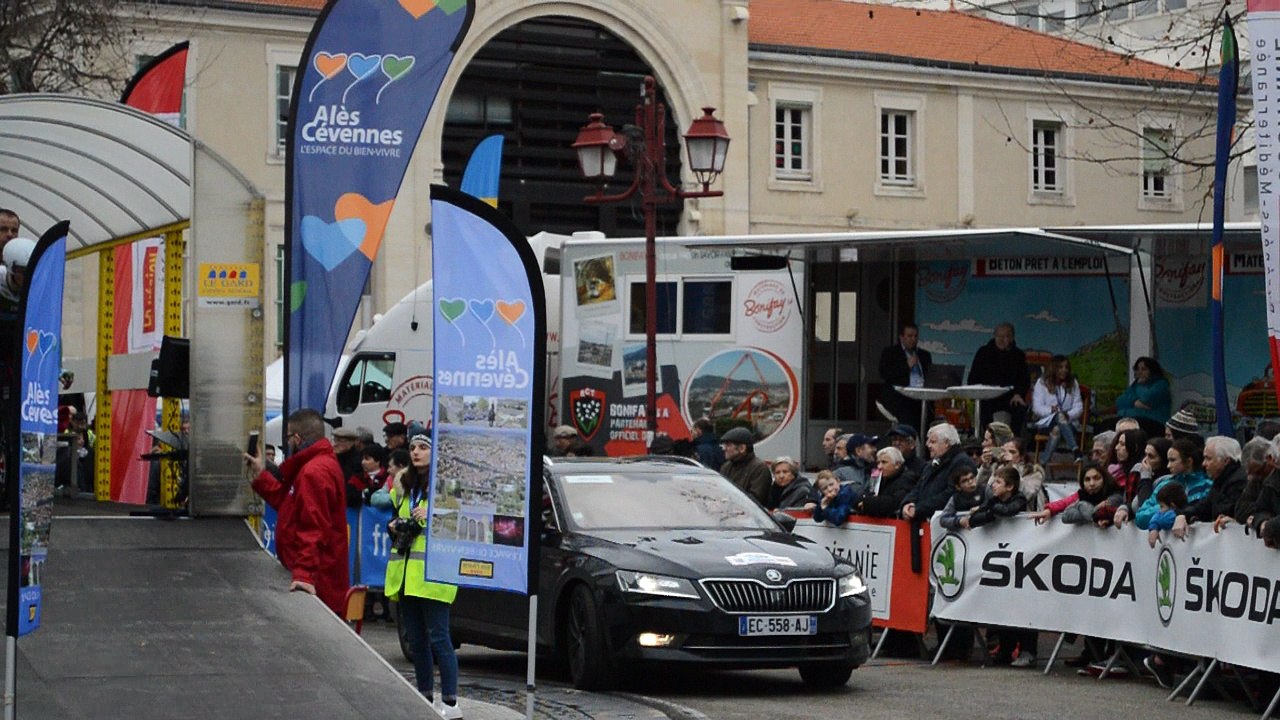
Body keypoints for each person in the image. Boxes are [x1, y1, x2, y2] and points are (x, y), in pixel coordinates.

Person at [384, 433, 462, 718]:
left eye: (423, 447)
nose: (416, 452)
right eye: (413, 448)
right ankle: (424, 697)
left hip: (435, 576)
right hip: (406, 576)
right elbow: (392, 519)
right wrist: (394, 525)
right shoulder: (403, 487)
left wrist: (429, 519)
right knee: (416, 642)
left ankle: (451, 702)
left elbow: (458, 525)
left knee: (440, 640)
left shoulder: (447, 486)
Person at [245, 408, 349, 614]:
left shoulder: (313, 472)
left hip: (319, 581)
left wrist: (304, 575)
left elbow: (314, 527)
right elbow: (289, 504)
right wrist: (261, 475)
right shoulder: (315, 466)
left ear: (297, 438)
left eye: (288, 437)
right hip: (319, 575)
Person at [1125, 438, 1211, 530]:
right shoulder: (1165, 484)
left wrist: (1173, 512)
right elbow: (1141, 518)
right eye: (1168, 460)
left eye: (1172, 460)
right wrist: (1165, 508)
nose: (1168, 465)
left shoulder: (1207, 485)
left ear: (1189, 461)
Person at [1172, 435, 1246, 539]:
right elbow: (1203, 507)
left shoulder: (1238, 482)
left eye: (1208, 459)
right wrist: (1183, 515)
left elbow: (1224, 511)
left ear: (1225, 461)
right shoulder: (1220, 481)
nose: (1204, 464)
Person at [900, 423, 977, 523]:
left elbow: (951, 494)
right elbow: (919, 487)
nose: (927, 445)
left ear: (947, 443)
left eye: (933, 442)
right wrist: (907, 503)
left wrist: (919, 509)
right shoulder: (932, 463)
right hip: (926, 521)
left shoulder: (962, 462)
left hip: (947, 524)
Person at [967, 323, 1030, 434]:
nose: (1001, 340)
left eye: (1005, 336)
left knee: (1019, 407)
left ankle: (1014, 440)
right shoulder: (983, 352)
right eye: (998, 336)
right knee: (983, 408)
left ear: (1012, 338)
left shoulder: (1018, 355)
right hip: (987, 396)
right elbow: (973, 378)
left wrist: (1018, 393)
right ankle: (987, 438)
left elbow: (1024, 379)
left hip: (1009, 396)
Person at [1031, 462, 1123, 526]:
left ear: (1104, 479)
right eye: (1087, 479)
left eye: (1096, 478)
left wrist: (1083, 507)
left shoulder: (1115, 493)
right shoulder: (1082, 494)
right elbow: (1064, 503)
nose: (1092, 483)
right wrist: (1049, 511)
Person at [1031, 354, 1084, 464]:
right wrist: (1050, 410)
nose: (1064, 370)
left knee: (1057, 429)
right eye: (1060, 367)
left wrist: (1069, 414)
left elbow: (1078, 407)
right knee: (1058, 416)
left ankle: (1042, 464)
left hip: (1069, 423)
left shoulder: (1073, 383)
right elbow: (1037, 408)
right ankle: (1075, 449)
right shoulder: (1042, 383)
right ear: (1053, 368)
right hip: (1047, 422)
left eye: (1066, 367)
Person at [878, 323, 932, 426]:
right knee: (908, 417)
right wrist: (906, 366)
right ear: (901, 337)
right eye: (910, 336)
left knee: (929, 417)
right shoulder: (891, 352)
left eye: (915, 336)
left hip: (921, 397)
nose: (913, 339)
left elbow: (929, 375)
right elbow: (884, 373)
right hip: (900, 397)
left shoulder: (924, 355)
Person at [1114, 356, 1172, 437]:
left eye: (1143, 369)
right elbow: (1119, 402)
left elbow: (1146, 398)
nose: (1139, 372)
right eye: (1137, 369)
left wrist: (1140, 385)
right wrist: (1135, 403)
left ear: (1152, 371)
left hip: (1155, 424)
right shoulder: (1135, 386)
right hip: (1135, 420)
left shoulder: (1161, 385)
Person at [858, 446, 918, 518]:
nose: (879, 466)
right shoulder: (880, 478)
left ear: (897, 465)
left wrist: (869, 503)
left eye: (884, 462)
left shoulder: (907, 479)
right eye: (878, 463)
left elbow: (896, 502)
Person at [719, 426, 771, 505]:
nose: (724, 449)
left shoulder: (759, 468)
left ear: (742, 448)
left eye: (728, 445)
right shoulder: (726, 467)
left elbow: (755, 499)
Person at [834, 433, 877, 498]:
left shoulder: (874, 470)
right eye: (871, 446)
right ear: (858, 451)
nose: (875, 449)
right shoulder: (840, 473)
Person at [1146, 482, 1188, 548]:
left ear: (1172, 506)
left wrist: (1155, 526)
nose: (1160, 510)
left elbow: (1164, 521)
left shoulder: (1177, 514)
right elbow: (1157, 515)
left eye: (1162, 506)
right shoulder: (1164, 512)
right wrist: (1153, 528)